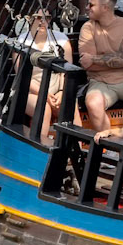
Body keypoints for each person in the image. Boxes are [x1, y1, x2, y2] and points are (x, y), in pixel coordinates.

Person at [77, 0, 123, 133]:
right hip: (99, 82)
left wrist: (95, 58)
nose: (87, 7)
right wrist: (122, 62)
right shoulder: (88, 28)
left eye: (91, 4)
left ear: (105, 8)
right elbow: (87, 65)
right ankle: (110, 144)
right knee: (93, 103)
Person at [20, 8, 70, 144]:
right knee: (44, 108)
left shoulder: (61, 40)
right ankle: (38, 146)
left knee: (70, 106)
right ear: (29, 19)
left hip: (56, 89)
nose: (43, 22)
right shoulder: (21, 42)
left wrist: (61, 92)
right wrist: (45, 94)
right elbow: (22, 78)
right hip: (32, 91)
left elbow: (66, 73)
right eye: (38, 18)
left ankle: (77, 149)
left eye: (47, 18)